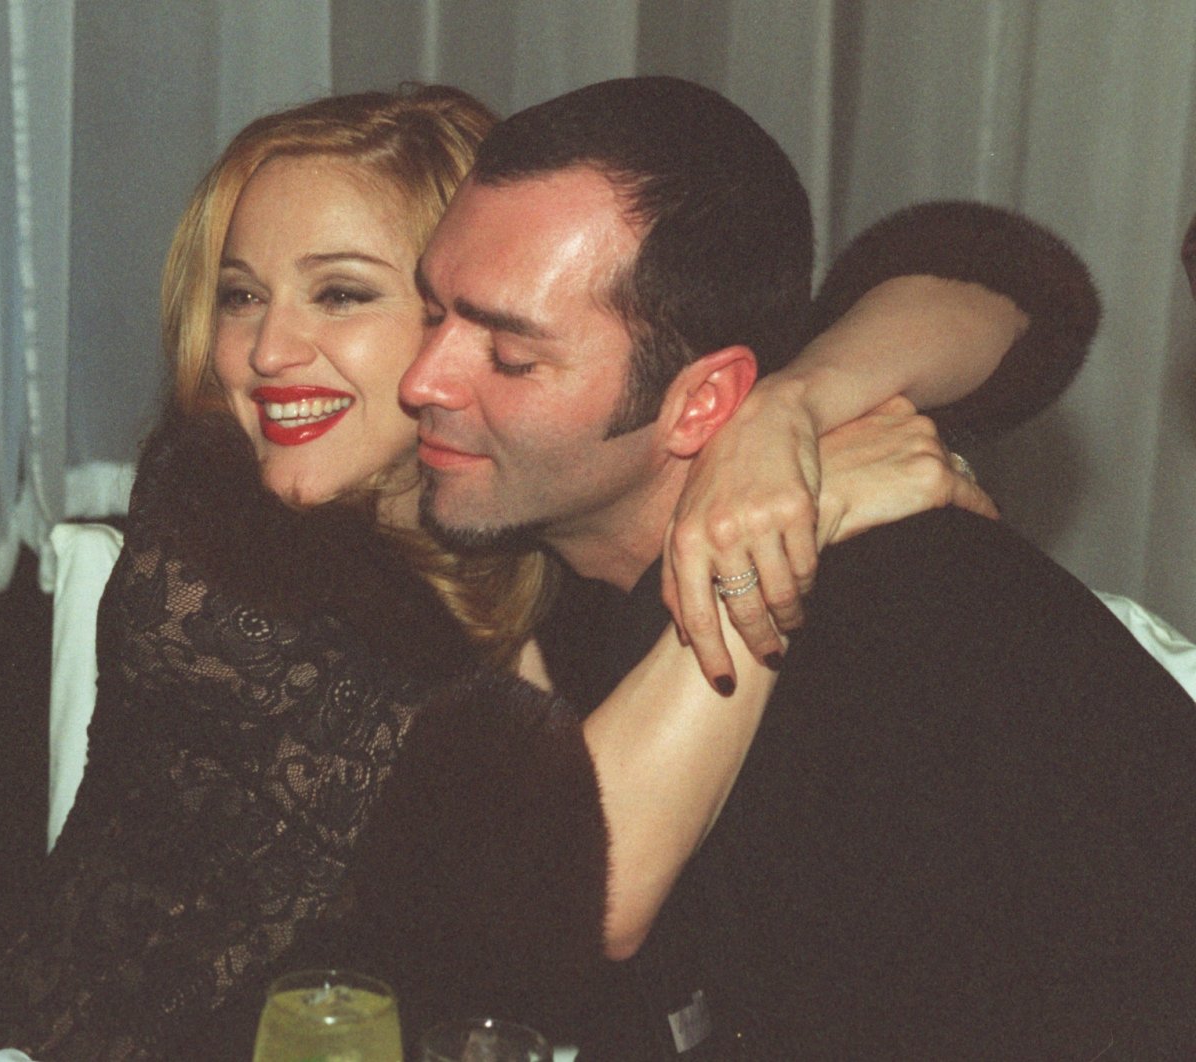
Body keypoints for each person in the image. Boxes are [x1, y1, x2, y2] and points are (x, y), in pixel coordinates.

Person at [0, 84, 1096, 1059]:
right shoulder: (212, 538)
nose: (265, 349)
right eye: (240, 294)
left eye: (341, 293)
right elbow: (576, 887)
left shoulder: (517, 515)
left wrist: (791, 410)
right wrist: (810, 502)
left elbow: (1007, 282)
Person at [370, 76, 1196, 1058]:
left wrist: (789, 411)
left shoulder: (888, 651)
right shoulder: (537, 559)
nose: (421, 380)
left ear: (701, 402)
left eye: (509, 354)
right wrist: (793, 410)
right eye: (430, 313)